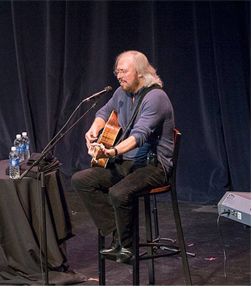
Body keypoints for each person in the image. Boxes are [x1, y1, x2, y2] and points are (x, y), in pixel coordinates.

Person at [71, 50, 175, 263]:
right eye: (117, 71)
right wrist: (94, 130)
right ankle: (119, 233)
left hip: (153, 166)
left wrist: (112, 151)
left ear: (140, 72)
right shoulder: (121, 93)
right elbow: (104, 113)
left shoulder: (156, 97)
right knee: (81, 180)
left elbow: (140, 135)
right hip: (128, 163)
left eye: (124, 71)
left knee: (119, 193)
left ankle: (127, 245)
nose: (119, 75)